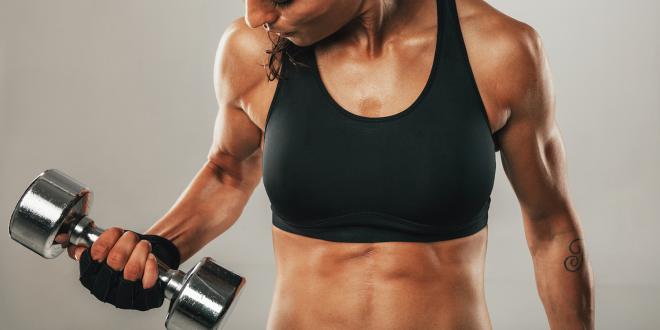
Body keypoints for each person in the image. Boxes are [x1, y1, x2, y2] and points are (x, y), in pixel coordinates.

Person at [64, 0, 595, 328]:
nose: (255, 15)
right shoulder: (253, 49)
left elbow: (550, 229)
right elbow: (229, 171)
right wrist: (156, 248)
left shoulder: (499, 49)